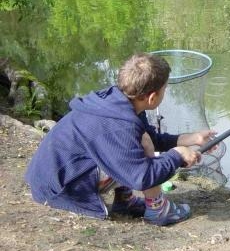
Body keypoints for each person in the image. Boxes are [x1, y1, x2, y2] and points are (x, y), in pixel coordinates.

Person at [25, 53, 216, 226]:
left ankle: (125, 201)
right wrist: (176, 155)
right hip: (59, 189)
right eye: (164, 89)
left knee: (142, 141)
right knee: (142, 147)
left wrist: (190, 139)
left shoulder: (120, 100)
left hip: (56, 174)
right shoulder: (119, 125)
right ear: (151, 98)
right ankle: (159, 211)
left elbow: (148, 136)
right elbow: (142, 177)